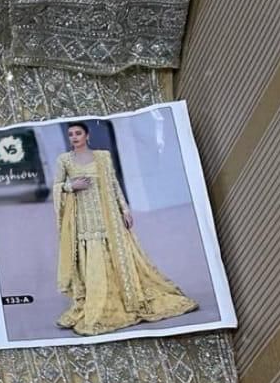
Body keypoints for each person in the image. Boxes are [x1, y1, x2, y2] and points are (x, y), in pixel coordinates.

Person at [54, 123, 197, 335]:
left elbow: (114, 184)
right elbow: (57, 187)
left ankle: (127, 297)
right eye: (71, 134)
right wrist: (71, 186)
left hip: (109, 216)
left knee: (117, 253)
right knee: (92, 257)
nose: (74, 137)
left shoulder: (103, 156)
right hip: (83, 219)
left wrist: (125, 210)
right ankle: (98, 299)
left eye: (78, 133)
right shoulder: (64, 160)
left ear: (87, 135)